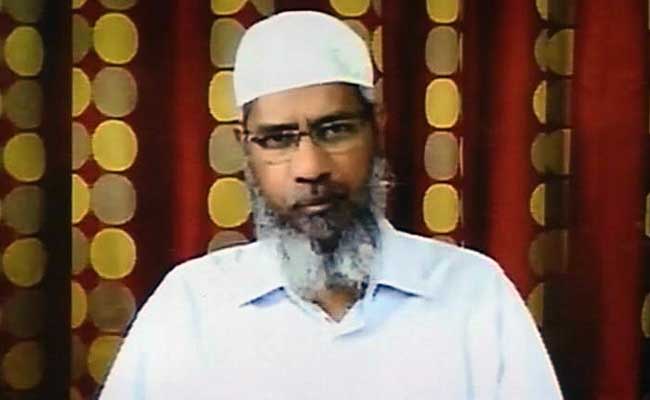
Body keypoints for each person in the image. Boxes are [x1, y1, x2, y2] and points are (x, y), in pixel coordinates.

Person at [99, 11, 563, 399]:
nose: (310, 167)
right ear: (245, 147)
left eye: (335, 130)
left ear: (376, 128)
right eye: (278, 139)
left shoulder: (474, 295)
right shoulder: (190, 306)